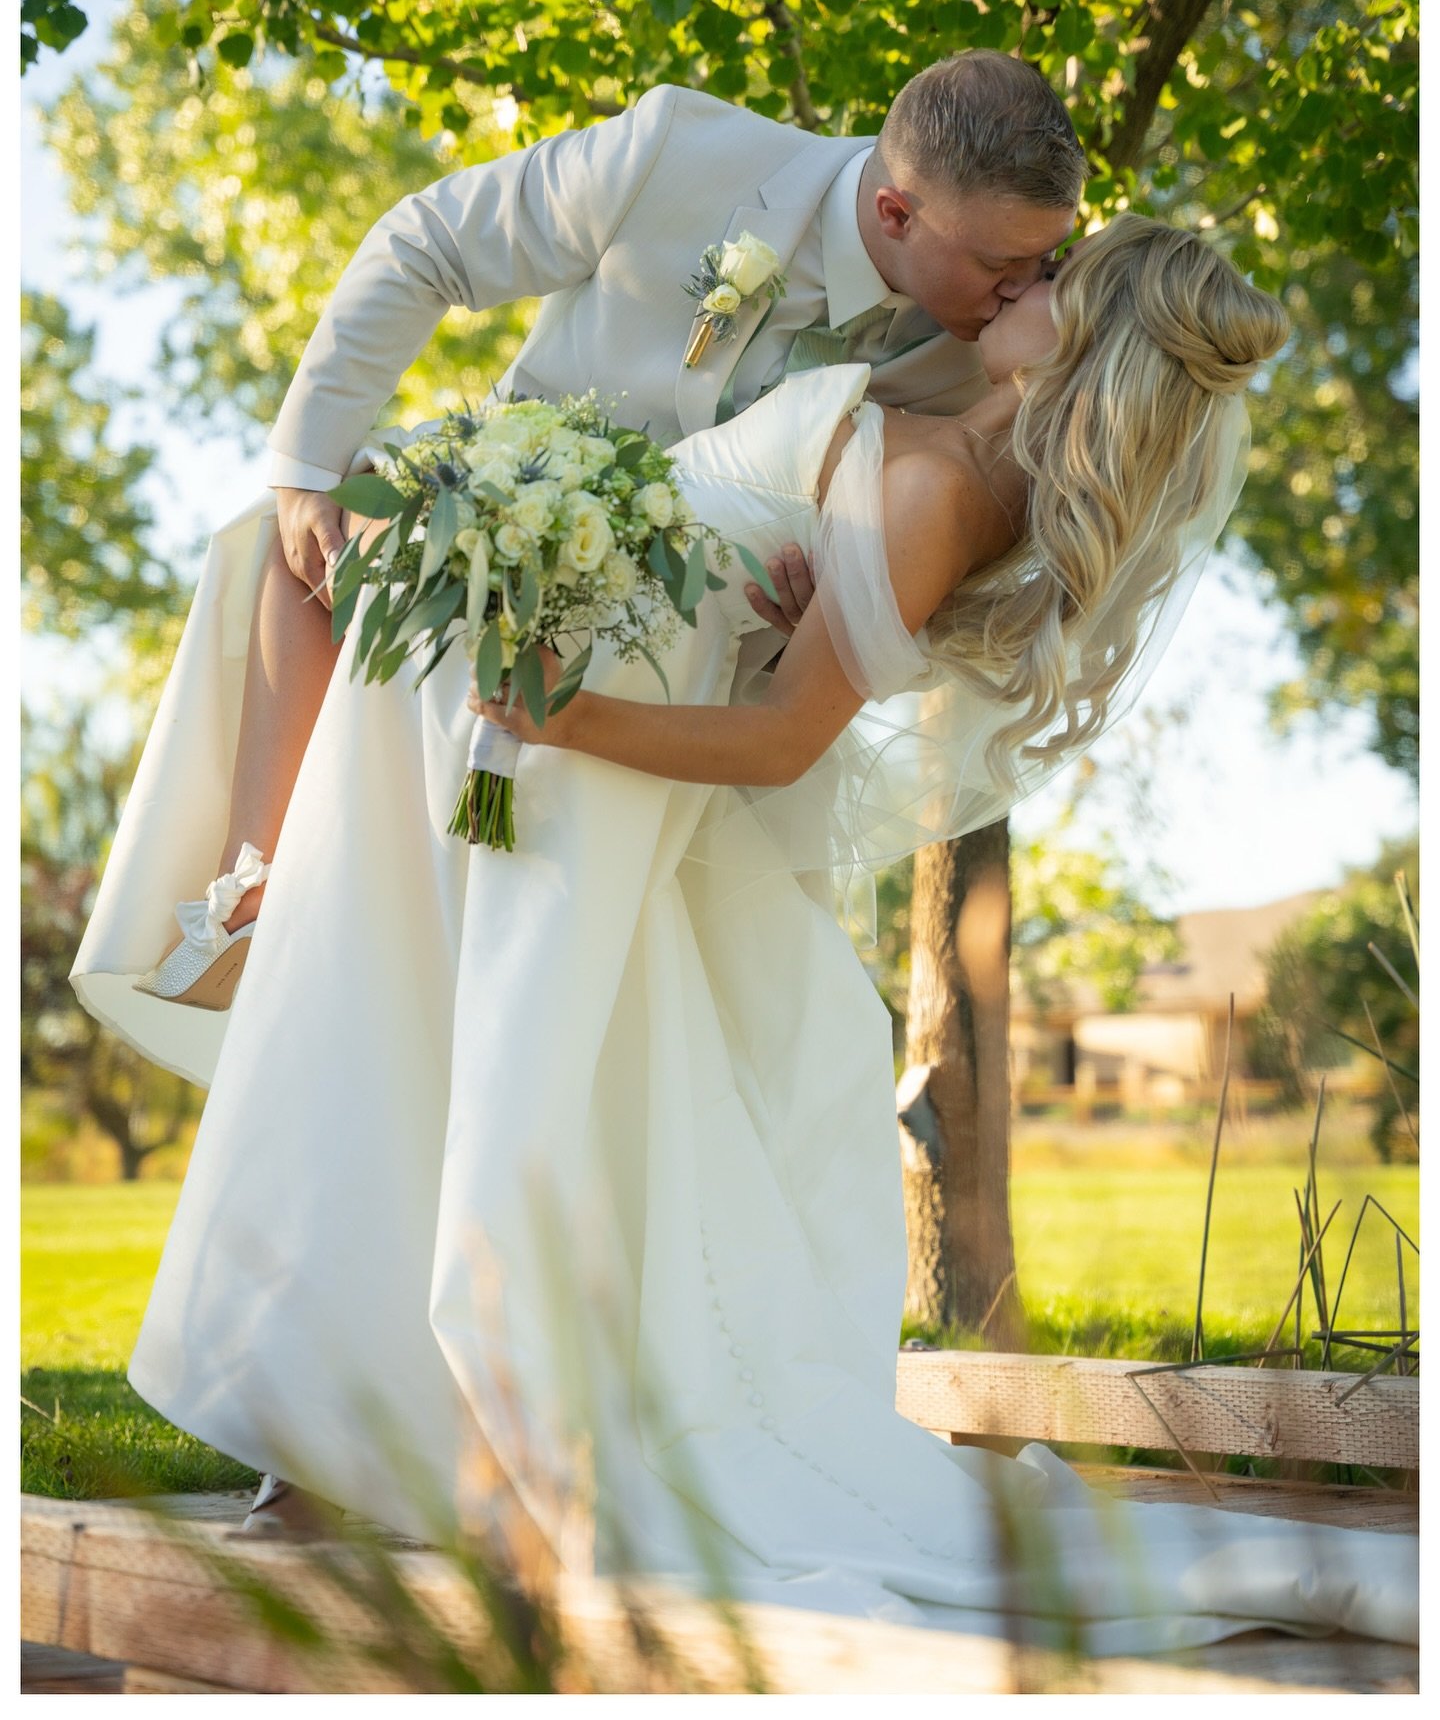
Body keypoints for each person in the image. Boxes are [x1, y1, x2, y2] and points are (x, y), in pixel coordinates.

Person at [71, 209, 1418, 1651]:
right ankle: (345, 1431)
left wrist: (566, 712)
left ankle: (373, 1431)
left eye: (1056, 285)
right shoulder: (946, 399)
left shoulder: (949, 493)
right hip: (551, 694)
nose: (1026, 284)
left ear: (1086, 342)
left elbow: (780, 741)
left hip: (582, 745)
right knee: (409, 1043)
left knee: (463, 1080)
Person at [114, 48, 1085, 1007]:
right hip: (512, 531)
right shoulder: (678, 152)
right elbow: (430, 244)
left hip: (695, 654)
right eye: (1001, 261)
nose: (1025, 286)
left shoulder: (979, 368)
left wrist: (835, 612)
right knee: (302, 533)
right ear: (894, 213)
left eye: (1042, 259)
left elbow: (913, 569)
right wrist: (305, 471)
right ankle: (254, 890)